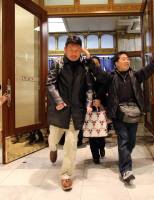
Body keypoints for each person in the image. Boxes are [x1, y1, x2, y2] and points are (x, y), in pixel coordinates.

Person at [89, 41, 154, 184]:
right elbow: (98, 73)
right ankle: (126, 170)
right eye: (123, 59)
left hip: (134, 113)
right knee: (124, 140)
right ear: (116, 63)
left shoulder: (136, 76)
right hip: (118, 113)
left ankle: (124, 159)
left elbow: (151, 68)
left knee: (131, 141)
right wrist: (89, 59)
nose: (127, 61)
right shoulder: (111, 77)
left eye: (127, 59)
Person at [46, 35, 94, 191]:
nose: (74, 53)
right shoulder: (57, 64)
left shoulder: (84, 67)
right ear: (65, 49)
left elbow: (89, 88)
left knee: (71, 144)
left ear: (81, 50)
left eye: (77, 50)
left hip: (76, 111)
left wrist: (88, 103)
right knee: (53, 138)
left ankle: (66, 175)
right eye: (71, 49)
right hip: (60, 109)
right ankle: (52, 149)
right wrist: (58, 101)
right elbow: (50, 84)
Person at [88, 56, 106, 164]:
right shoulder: (86, 76)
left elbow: (106, 89)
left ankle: (102, 147)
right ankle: (95, 155)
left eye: (96, 63)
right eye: (92, 63)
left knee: (101, 132)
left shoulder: (103, 76)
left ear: (99, 64)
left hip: (101, 106)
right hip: (90, 107)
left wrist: (101, 101)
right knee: (92, 134)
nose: (94, 66)